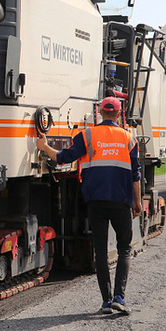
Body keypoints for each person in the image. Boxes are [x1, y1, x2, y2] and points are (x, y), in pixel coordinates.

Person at [36, 96, 142, 315]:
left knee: (100, 251)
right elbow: (135, 175)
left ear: (100, 112)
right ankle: (119, 298)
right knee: (124, 249)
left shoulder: (87, 135)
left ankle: (106, 301)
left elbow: (63, 158)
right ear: (119, 113)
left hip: (96, 202)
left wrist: (44, 146)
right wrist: (138, 201)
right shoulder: (129, 138)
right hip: (121, 202)